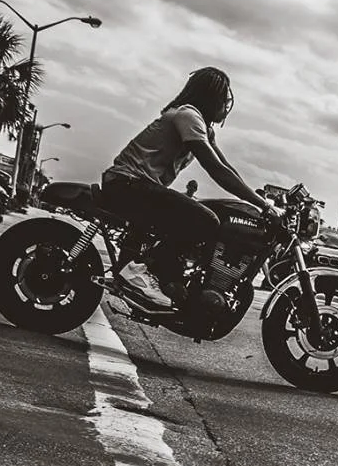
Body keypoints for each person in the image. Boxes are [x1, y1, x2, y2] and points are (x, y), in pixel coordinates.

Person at [101, 67, 271, 303]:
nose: (226, 106)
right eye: (225, 99)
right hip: (128, 183)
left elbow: (226, 166)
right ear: (212, 98)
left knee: (199, 213)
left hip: (138, 186)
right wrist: (262, 203)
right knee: (205, 219)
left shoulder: (203, 126)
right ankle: (142, 271)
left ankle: (162, 275)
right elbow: (215, 169)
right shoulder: (188, 115)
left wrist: (259, 202)